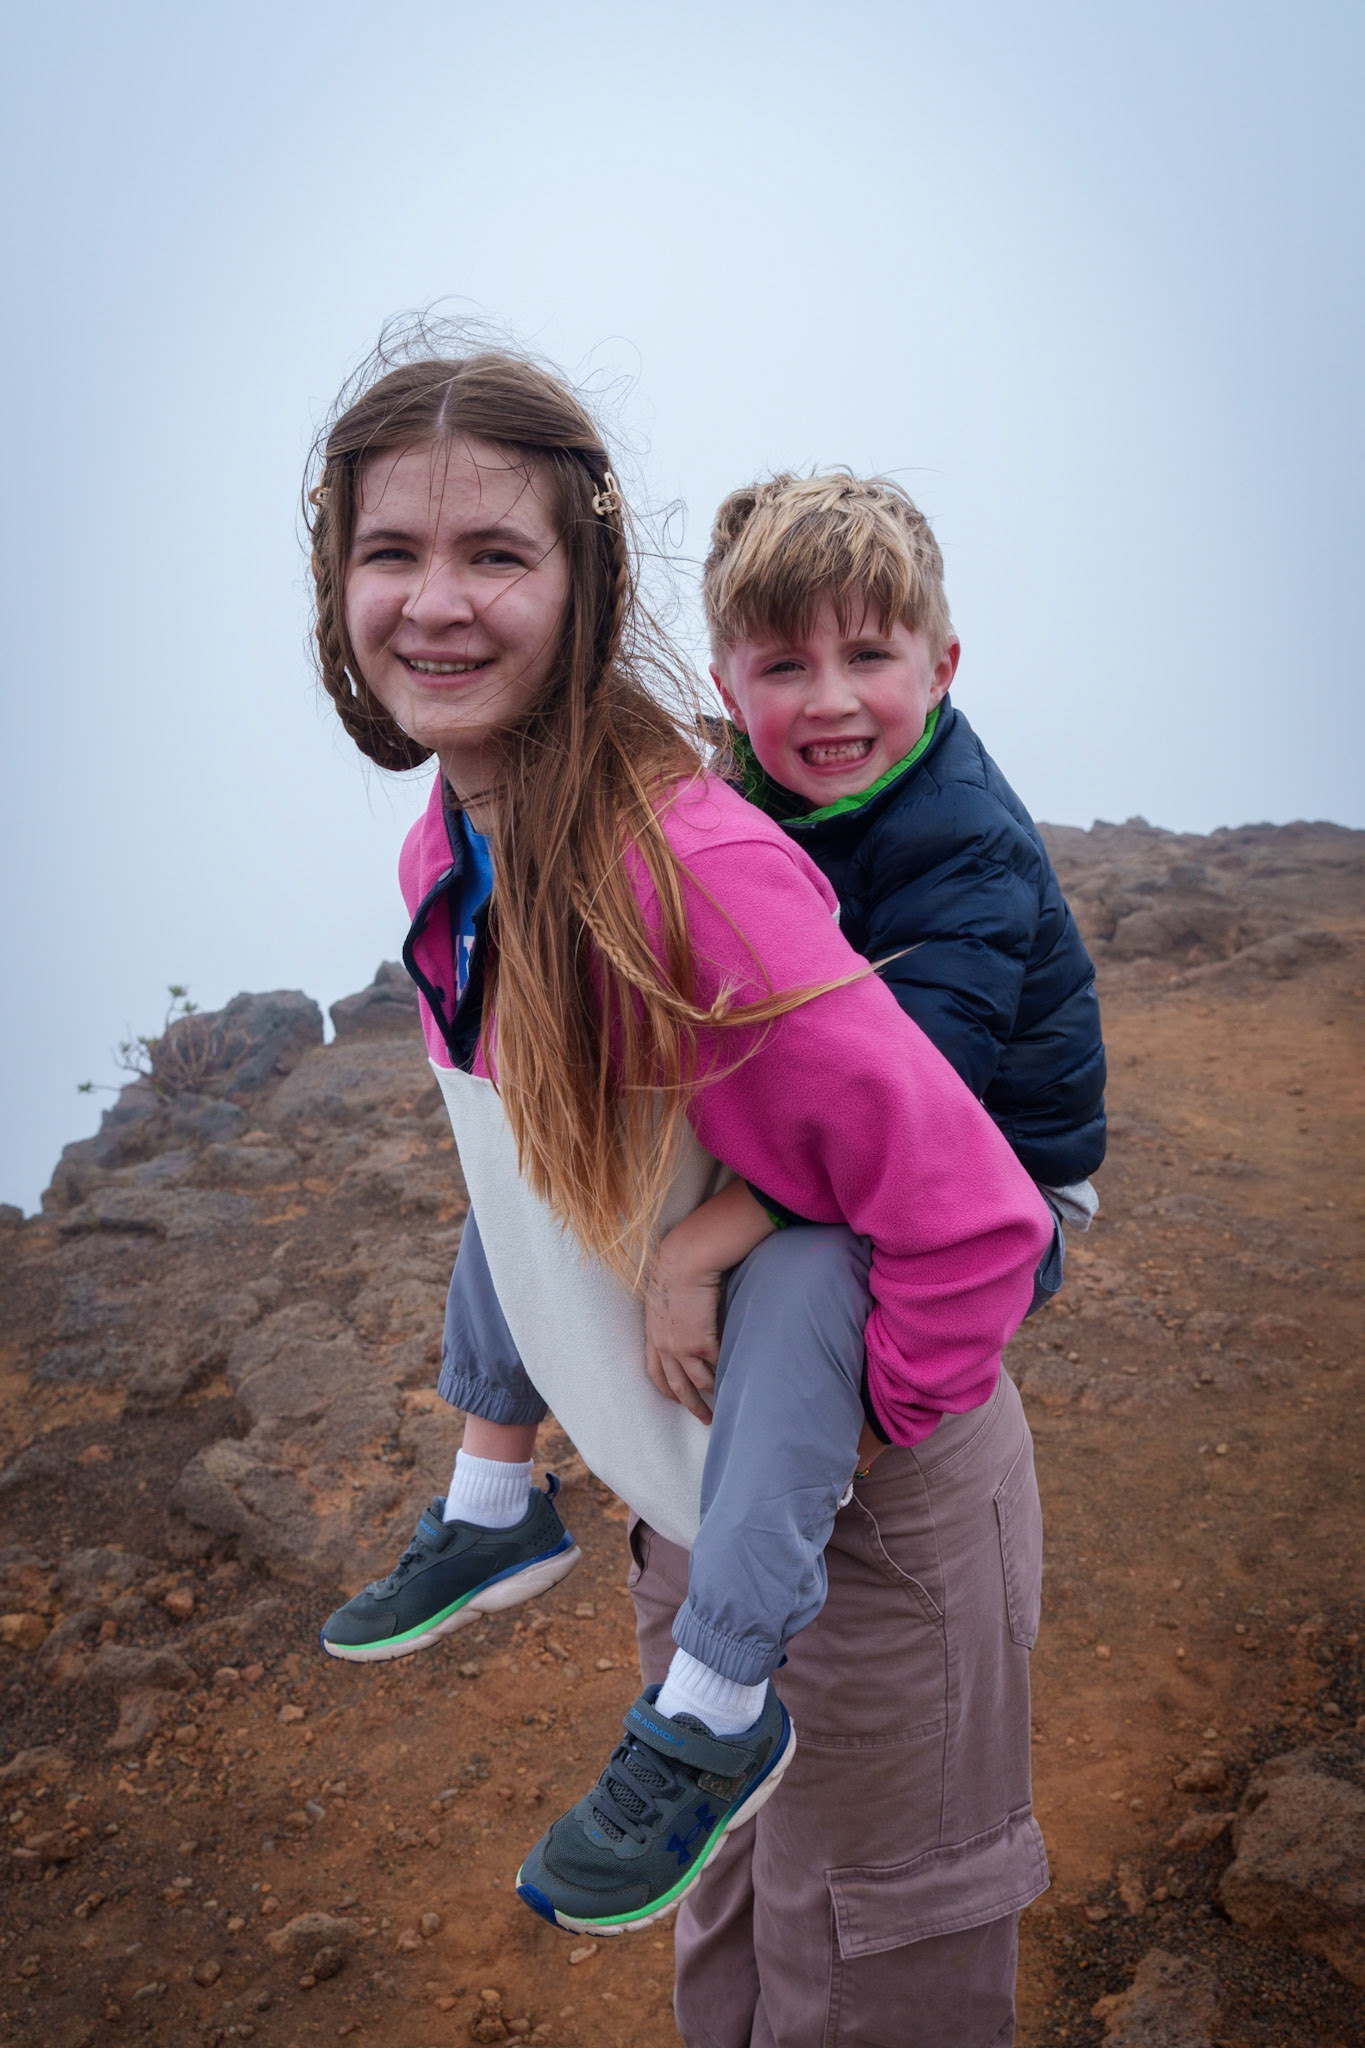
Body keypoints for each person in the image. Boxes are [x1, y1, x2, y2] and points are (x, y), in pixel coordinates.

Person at [310, 339, 1053, 2041]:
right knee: (730, 1950)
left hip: (848, 1520)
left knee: (866, 1980)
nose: (435, 604)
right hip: (688, 1498)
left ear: (584, 582)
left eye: (495, 554)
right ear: (334, 583)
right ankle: (508, 1531)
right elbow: (548, 1180)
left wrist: (845, 1449)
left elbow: (971, 1217)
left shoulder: (691, 870)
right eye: (390, 554)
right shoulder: (456, 846)